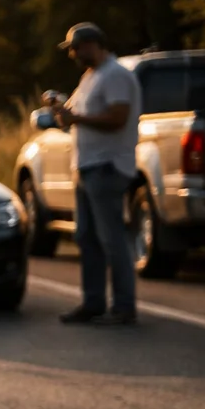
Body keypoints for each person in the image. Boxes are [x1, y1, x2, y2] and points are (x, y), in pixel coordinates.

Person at [51, 22, 143, 326]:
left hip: (107, 166)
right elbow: (76, 116)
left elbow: (118, 117)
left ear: (92, 44)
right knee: (86, 236)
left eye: (75, 48)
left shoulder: (115, 75)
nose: (73, 54)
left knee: (111, 237)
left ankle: (124, 305)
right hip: (87, 166)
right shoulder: (90, 77)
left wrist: (75, 117)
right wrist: (63, 112)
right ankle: (93, 303)